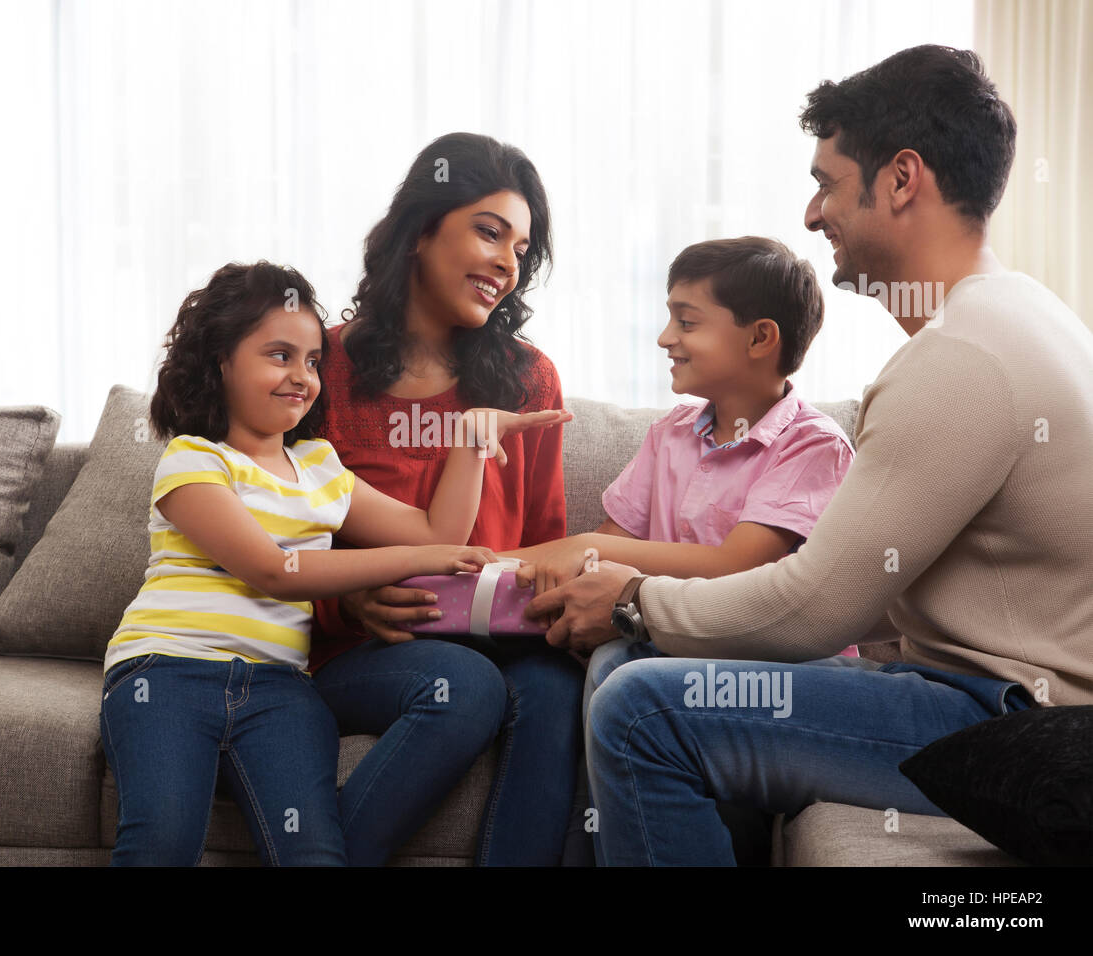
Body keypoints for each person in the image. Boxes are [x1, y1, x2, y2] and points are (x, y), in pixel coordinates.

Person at [527, 44, 1093, 865]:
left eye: (828, 183)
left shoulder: (962, 358)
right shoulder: (1025, 316)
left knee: (641, 710)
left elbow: (815, 609)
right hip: (1001, 694)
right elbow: (857, 590)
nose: (811, 214)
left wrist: (633, 601)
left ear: (902, 180)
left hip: (1007, 718)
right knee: (641, 677)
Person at [100, 259, 566, 866]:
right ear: (220, 360)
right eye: (278, 355)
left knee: (316, 855)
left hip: (279, 686)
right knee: (161, 842)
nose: (302, 376)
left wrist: (471, 442)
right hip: (165, 672)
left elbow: (437, 530)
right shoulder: (193, 460)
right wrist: (422, 557)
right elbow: (273, 570)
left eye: (313, 360)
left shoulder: (320, 466)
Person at [508, 235, 856, 865]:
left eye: (686, 321)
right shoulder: (671, 433)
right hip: (676, 643)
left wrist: (588, 547)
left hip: (787, 665)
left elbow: (738, 566)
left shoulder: (813, 446)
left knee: (622, 669)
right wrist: (513, 563)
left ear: (760, 338)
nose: (666, 336)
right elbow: (617, 541)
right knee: (601, 664)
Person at [308, 131, 587, 866]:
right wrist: (351, 602)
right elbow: (270, 536)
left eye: (522, 250)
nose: (506, 261)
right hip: (365, 647)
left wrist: (542, 587)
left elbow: (542, 536)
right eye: (488, 231)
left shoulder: (530, 383)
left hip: (498, 637)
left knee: (560, 691)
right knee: (458, 682)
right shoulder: (320, 372)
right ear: (420, 231)